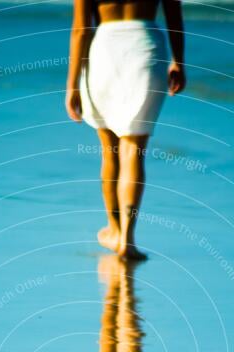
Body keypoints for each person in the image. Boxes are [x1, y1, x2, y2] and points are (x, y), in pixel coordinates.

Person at [66, 0, 186, 260]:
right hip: (146, 47)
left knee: (109, 152)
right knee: (134, 150)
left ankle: (115, 229)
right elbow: (174, 17)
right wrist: (179, 61)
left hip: (104, 52)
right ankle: (127, 240)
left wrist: (72, 85)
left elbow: (81, 30)